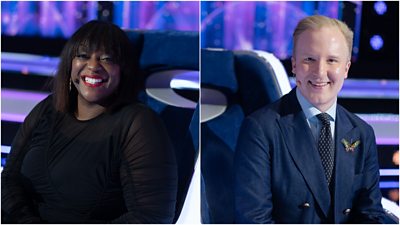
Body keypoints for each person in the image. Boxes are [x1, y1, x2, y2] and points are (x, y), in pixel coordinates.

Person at [1, 20, 178, 223]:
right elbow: (8, 179)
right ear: (70, 63)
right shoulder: (48, 108)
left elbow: (151, 217)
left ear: (123, 70)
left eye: (107, 59)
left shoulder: (138, 123)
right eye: (83, 56)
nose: (93, 66)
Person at [234, 15, 393, 223]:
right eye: (309, 59)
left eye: (332, 60)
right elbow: (254, 220)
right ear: (294, 65)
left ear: (345, 69)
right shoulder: (260, 129)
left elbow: (370, 213)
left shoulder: (362, 132)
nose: (320, 72)